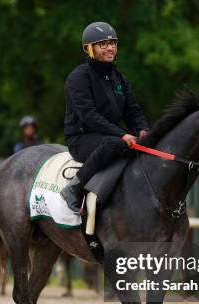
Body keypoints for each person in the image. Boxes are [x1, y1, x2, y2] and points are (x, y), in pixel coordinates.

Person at [60, 21, 150, 213]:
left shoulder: (119, 78)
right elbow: (89, 116)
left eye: (113, 43)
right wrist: (122, 135)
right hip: (82, 139)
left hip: (112, 136)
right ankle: (74, 188)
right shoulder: (78, 77)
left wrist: (143, 131)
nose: (110, 48)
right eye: (103, 44)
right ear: (89, 49)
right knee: (115, 144)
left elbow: (133, 112)